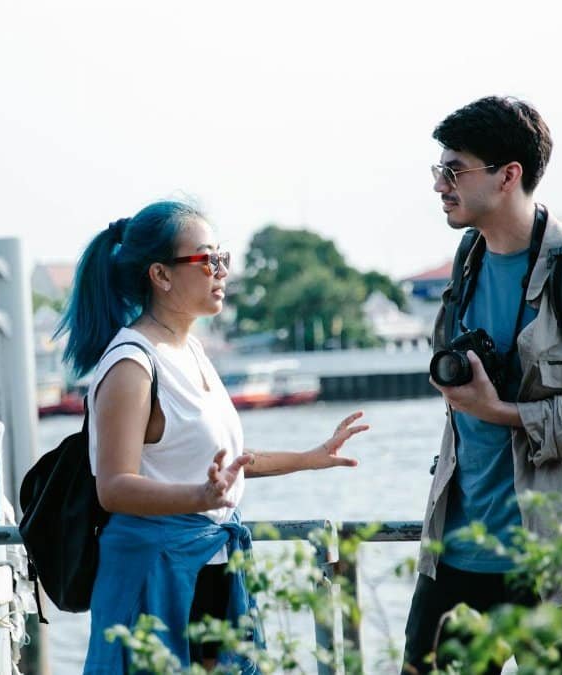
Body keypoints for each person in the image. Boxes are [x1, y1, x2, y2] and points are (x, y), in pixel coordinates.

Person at [402, 97, 562, 674]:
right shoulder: (466, 258)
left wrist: (506, 412)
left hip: (557, 561)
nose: (440, 185)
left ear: (507, 175)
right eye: (438, 170)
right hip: (456, 554)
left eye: (455, 170)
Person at [56, 200, 369, 673]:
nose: (221, 271)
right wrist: (199, 495)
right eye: (207, 260)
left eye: (223, 258)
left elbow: (225, 463)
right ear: (160, 275)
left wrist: (310, 457)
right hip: (153, 569)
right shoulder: (131, 363)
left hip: (211, 559)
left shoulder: (190, 349)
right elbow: (114, 487)